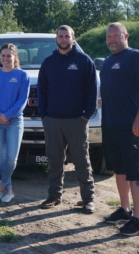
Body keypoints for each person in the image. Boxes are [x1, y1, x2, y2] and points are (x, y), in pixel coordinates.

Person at [37, 25, 97, 212]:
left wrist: (86, 115)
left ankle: (88, 199)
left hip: (76, 120)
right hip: (52, 120)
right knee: (55, 160)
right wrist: (44, 115)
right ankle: (54, 196)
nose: (63, 39)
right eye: (60, 36)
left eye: (67, 36)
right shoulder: (48, 62)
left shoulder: (84, 60)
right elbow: (42, 91)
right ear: (56, 39)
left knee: (81, 160)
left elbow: (92, 90)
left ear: (73, 38)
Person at [100, 22, 139, 236]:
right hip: (111, 125)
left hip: (131, 125)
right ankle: (125, 209)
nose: (112, 39)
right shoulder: (107, 61)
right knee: (120, 169)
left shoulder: (134, 57)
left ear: (126, 36)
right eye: (109, 36)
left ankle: (138, 218)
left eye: (116, 35)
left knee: (135, 171)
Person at [0, 43, 30, 203]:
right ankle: (9, 189)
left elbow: (22, 100)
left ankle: (2, 184)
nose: (6, 59)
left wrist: (8, 115)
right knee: (2, 158)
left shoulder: (22, 76)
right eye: (3, 56)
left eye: (9, 56)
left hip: (15, 122)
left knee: (11, 158)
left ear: (15, 57)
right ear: (0, 57)